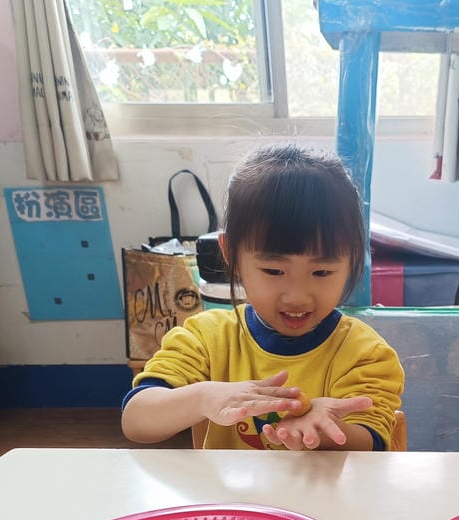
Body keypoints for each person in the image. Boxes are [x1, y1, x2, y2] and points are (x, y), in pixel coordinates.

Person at [122, 144, 405, 451]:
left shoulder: (365, 353)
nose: (297, 297)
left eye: (322, 272)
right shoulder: (206, 338)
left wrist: (323, 432)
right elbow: (136, 420)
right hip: (233, 485)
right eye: (273, 271)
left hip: (323, 485)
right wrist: (202, 397)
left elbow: (372, 443)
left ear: (352, 259)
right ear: (231, 254)